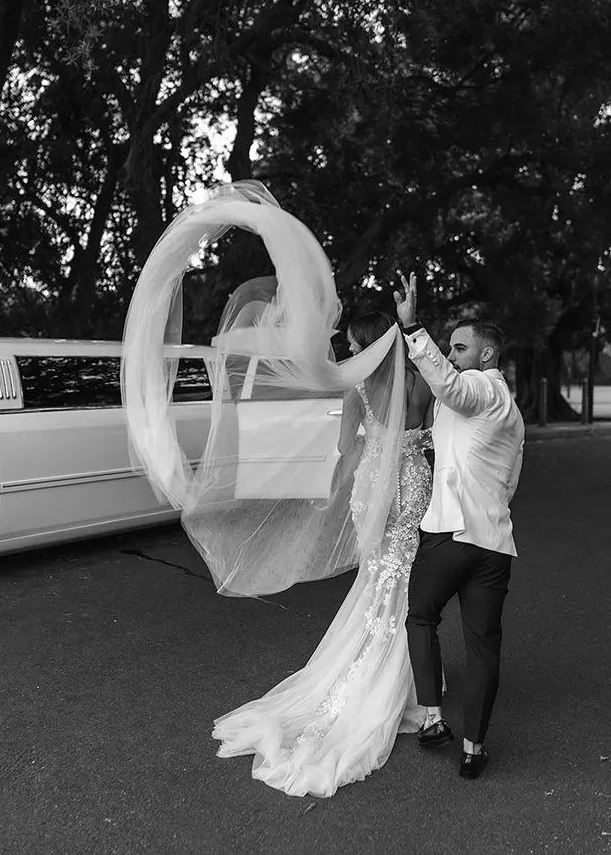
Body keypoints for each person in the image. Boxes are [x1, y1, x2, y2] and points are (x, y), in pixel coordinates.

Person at [211, 311, 436, 797]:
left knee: (376, 577)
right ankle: (405, 681)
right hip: (416, 482)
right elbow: (431, 435)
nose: (350, 353)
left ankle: (379, 674)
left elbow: (345, 445)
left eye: (355, 345)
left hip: (376, 486)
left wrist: (364, 447)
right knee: (404, 576)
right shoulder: (421, 382)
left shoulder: (358, 389)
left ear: (371, 346)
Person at [393, 272, 525, 780]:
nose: (450, 354)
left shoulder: (479, 387)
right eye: (448, 347)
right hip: (494, 543)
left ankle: (432, 719)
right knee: (483, 646)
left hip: (451, 535)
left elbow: (448, 384)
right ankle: (473, 749)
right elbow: (509, 480)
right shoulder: (512, 413)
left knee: (420, 617)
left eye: (459, 347)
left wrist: (413, 329)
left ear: (486, 355)